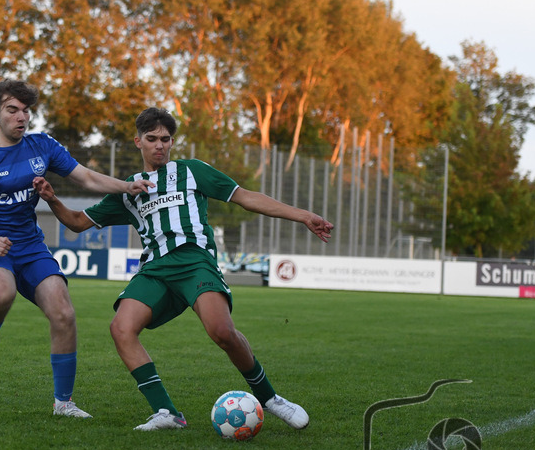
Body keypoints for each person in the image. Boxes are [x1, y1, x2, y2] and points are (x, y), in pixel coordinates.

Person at [33, 107, 334, 431]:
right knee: (121, 328)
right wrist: (52, 199)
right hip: (155, 269)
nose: (159, 145)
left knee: (222, 331)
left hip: (194, 261)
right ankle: (167, 413)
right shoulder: (129, 189)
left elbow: (246, 197)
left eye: (165, 139)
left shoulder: (192, 171)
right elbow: (78, 222)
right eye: (152, 139)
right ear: (138, 141)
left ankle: (271, 399)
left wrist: (304, 215)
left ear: (172, 142)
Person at [0, 79, 153, 418]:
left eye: (26, 111)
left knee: (64, 313)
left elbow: (85, 177)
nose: (21, 117)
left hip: (30, 245)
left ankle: (63, 403)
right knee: (1, 293)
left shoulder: (42, 146)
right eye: (12, 110)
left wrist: (127, 186)